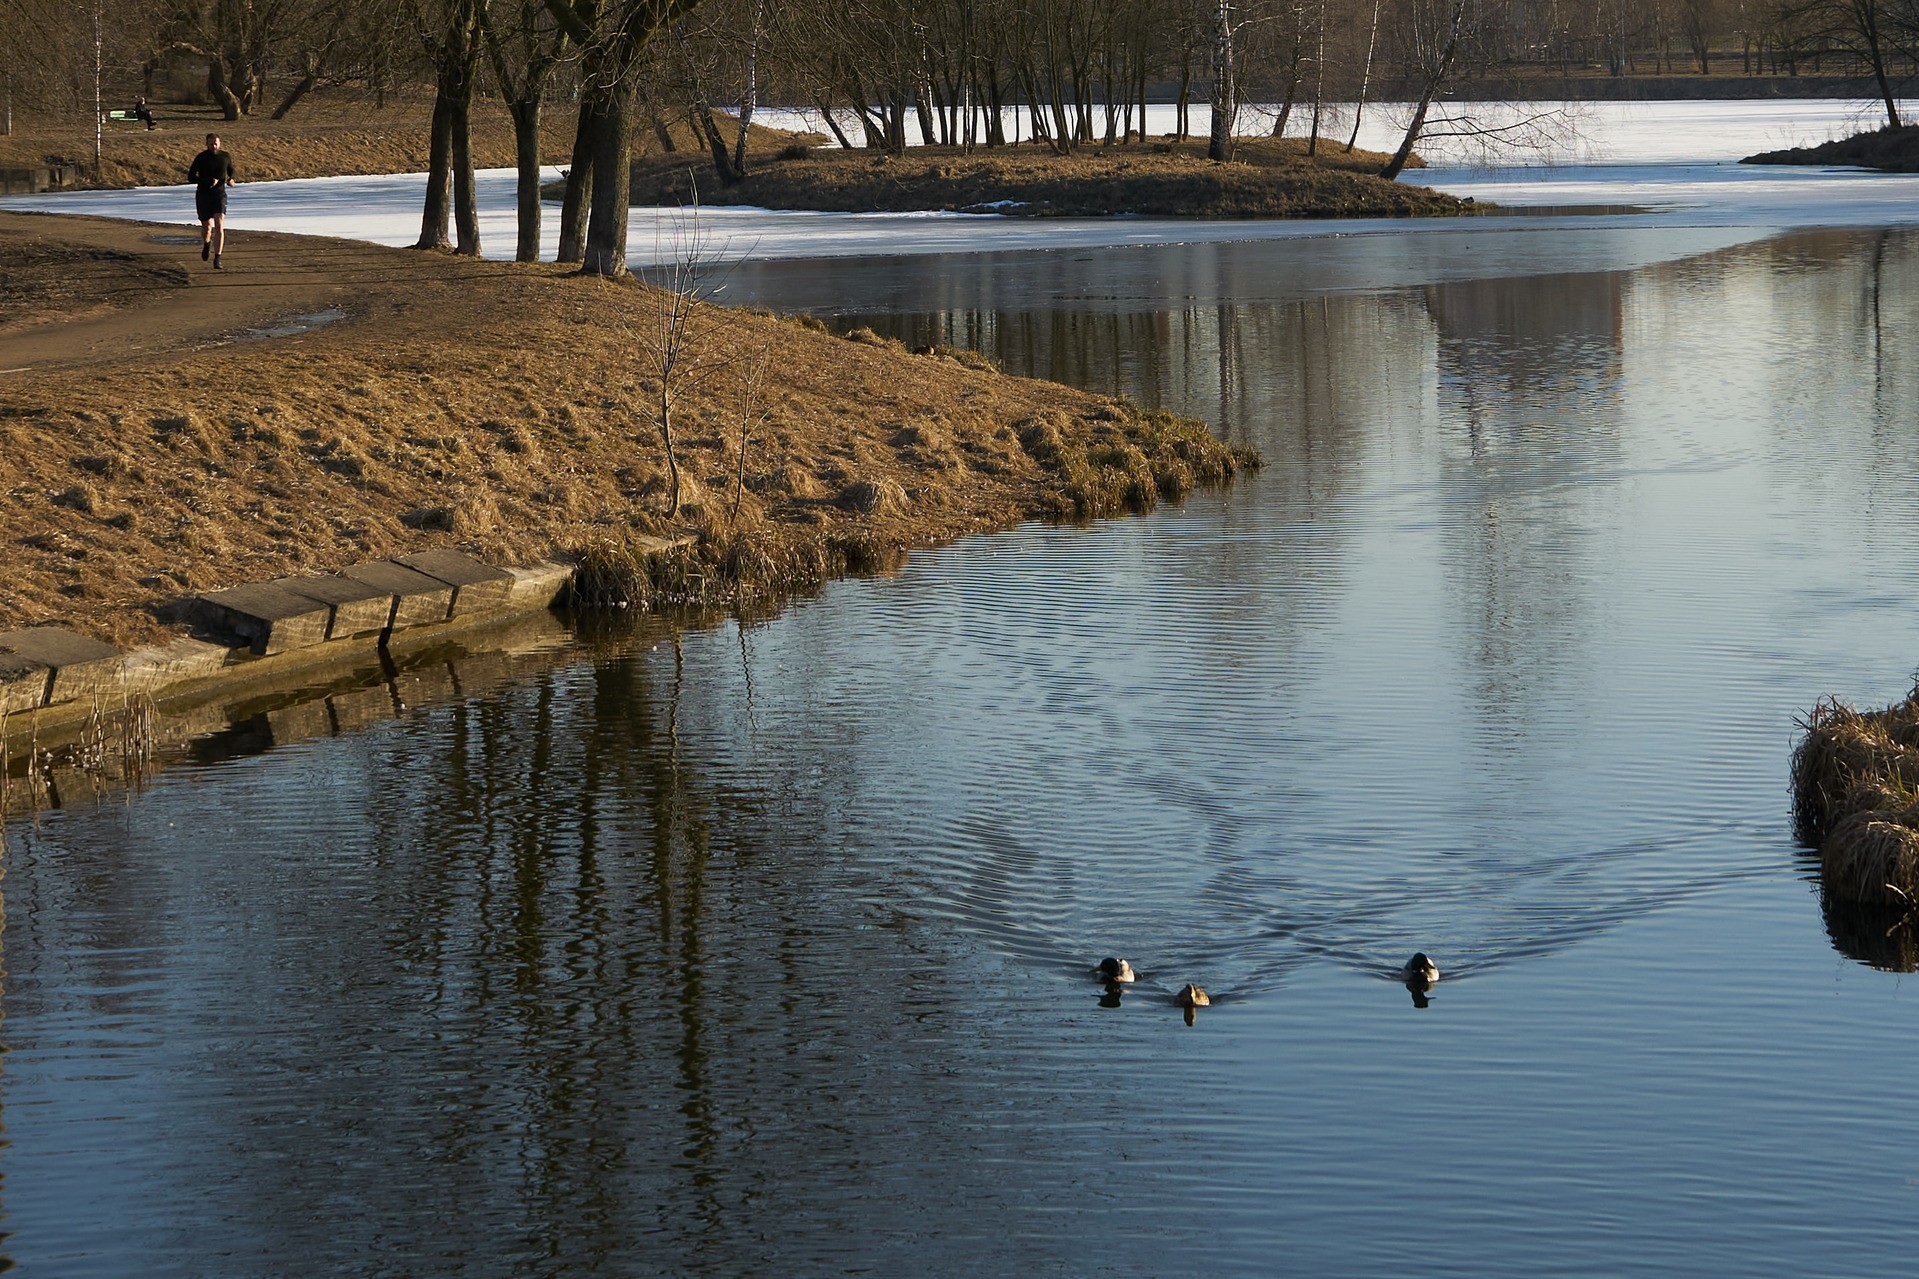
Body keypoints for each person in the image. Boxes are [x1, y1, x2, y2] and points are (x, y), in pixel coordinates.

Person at [187, 134, 235, 269]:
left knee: (219, 225)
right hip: (203, 195)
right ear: (206, 144)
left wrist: (231, 179)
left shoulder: (225, 156)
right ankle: (207, 243)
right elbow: (191, 177)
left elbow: (231, 170)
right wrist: (207, 181)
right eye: (211, 143)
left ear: (220, 143)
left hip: (219, 195)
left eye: (216, 143)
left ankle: (217, 258)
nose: (214, 146)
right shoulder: (201, 158)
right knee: (207, 227)